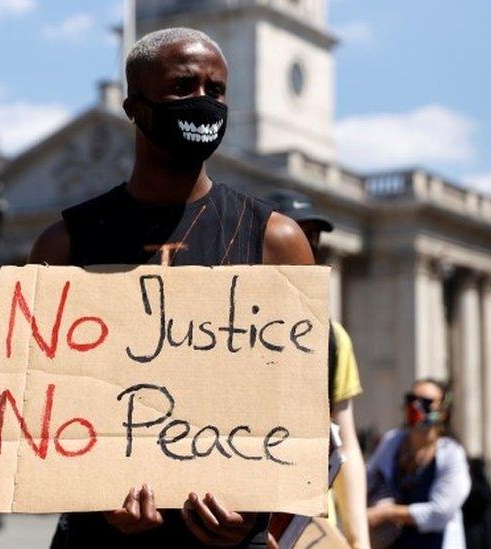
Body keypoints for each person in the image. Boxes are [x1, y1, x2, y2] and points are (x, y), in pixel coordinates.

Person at [30, 27, 314, 548]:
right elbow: (43, 406)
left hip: (226, 537)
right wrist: (94, 495)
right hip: (100, 535)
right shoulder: (65, 244)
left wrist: (254, 515)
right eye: (184, 87)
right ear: (135, 107)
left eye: (217, 90)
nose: (204, 102)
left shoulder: (277, 240)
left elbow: (298, 407)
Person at [267, 190, 370, 548]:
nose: (307, 248)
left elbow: (347, 444)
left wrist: (360, 539)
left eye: (314, 239)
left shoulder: (333, 338)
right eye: (296, 234)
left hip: (308, 523)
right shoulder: (219, 331)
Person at [366, 379, 471, 548]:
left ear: (443, 412)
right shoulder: (392, 441)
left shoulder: (451, 453)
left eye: (426, 402)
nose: (415, 406)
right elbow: (368, 479)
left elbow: (440, 511)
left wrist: (387, 513)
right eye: (411, 399)